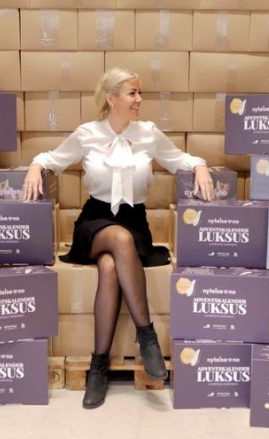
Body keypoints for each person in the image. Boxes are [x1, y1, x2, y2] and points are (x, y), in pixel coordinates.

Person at [23, 68, 213, 409]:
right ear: (111, 98)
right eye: (132, 93)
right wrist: (36, 167)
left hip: (134, 221)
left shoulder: (148, 133)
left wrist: (199, 166)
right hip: (94, 222)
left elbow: (179, 160)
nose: (139, 99)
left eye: (140, 93)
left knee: (111, 266)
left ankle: (98, 366)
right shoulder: (87, 133)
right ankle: (147, 335)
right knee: (118, 241)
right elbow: (53, 159)